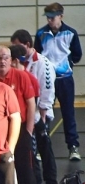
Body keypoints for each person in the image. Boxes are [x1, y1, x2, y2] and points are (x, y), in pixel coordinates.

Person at [0, 43, 41, 184]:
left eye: (6, 57)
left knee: (26, 169)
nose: (3, 61)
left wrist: (28, 131)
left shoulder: (20, 76)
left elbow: (30, 105)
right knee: (2, 174)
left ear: (11, 60)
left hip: (19, 129)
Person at [12, 30, 57, 184]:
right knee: (32, 153)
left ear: (27, 44)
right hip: (29, 116)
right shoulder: (23, 64)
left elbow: (47, 91)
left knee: (44, 150)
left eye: (18, 45)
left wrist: (43, 119)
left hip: (40, 115)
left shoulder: (43, 63)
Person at [35, 2, 81, 161]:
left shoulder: (71, 33)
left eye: (52, 17)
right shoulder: (41, 33)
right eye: (47, 18)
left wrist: (66, 66)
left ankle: (73, 147)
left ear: (61, 16)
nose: (49, 20)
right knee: (44, 113)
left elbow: (77, 54)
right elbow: (37, 54)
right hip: (47, 80)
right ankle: (41, 148)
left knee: (68, 113)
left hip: (65, 80)